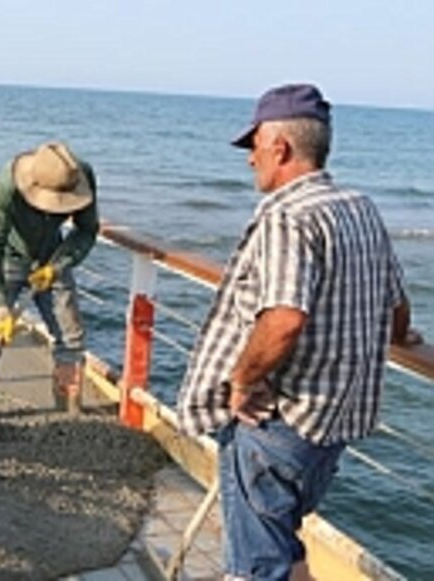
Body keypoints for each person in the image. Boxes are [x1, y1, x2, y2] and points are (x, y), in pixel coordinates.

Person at [176, 83, 422, 580]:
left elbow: (285, 317)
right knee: (282, 544)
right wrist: (400, 337)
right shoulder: (359, 206)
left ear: (280, 147)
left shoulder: (288, 215)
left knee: (256, 565)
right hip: (330, 426)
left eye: (254, 146)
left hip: (277, 422)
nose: (250, 160)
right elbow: (398, 306)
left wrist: (241, 383)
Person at [0, 142, 99, 422]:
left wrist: (58, 265)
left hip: (52, 256)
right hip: (7, 258)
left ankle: (69, 412)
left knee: (71, 336)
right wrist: (1, 305)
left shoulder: (80, 176)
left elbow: (87, 230)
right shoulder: (8, 185)